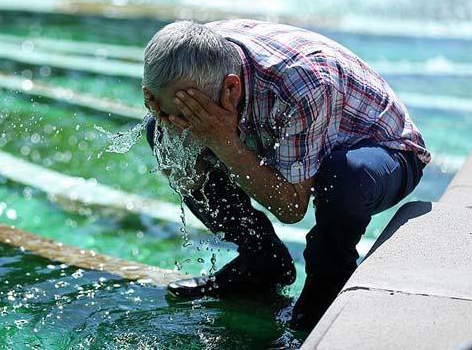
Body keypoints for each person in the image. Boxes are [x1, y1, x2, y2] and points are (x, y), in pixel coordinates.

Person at [141, 20, 429, 330]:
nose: (180, 122)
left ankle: (327, 285)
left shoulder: (302, 82)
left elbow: (291, 208)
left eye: (191, 114)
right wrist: (171, 130)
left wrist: (223, 142)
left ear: (231, 88)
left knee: (344, 175)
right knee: (156, 132)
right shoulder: (178, 62)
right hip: (291, 131)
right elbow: (186, 169)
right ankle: (262, 260)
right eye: (169, 111)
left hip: (385, 153)